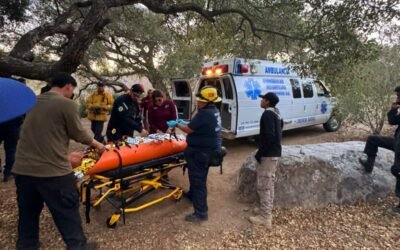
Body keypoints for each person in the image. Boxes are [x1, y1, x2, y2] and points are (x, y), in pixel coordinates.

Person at [12, 72, 104, 250]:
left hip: (23, 169)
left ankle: (26, 245)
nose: (71, 94)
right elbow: (79, 133)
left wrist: (67, 155)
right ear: (68, 86)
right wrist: (99, 146)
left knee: (28, 212)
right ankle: (78, 246)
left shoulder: (33, 102)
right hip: (52, 173)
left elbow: (41, 134)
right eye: (72, 91)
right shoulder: (66, 104)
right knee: (66, 211)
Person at [168, 85, 222, 222]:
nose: (198, 102)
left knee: (198, 181)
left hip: (201, 153)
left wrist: (177, 124)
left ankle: (201, 213)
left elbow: (189, 130)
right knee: (198, 177)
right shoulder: (214, 111)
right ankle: (192, 195)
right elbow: (196, 125)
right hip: (209, 151)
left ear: (208, 101)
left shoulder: (204, 113)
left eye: (200, 100)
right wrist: (183, 122)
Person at [249, 92, 282, 228]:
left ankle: (265, 217)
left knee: (263, 186)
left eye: (263, 99)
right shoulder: (277, 113)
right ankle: (266, 211)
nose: (261, 101)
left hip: (268, 155)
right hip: (275, 153)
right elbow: (280, 129)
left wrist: (260, 153)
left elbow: (270, 136)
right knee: (269, 184)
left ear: (267, 102)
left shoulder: (267, 114)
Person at [0, 78, 36, 182]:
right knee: (11, 150)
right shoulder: (17, 95)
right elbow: (24, 110)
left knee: (11, 150)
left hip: (7, 124)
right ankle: (8, 173)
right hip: (13, 126)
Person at [359, 86, 400, 173]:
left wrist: (393, 110)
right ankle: (369, 165)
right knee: (372, 139)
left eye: (399, 96)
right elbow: (393, 121)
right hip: (397, 142)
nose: (397, 98)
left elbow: (392, 121)